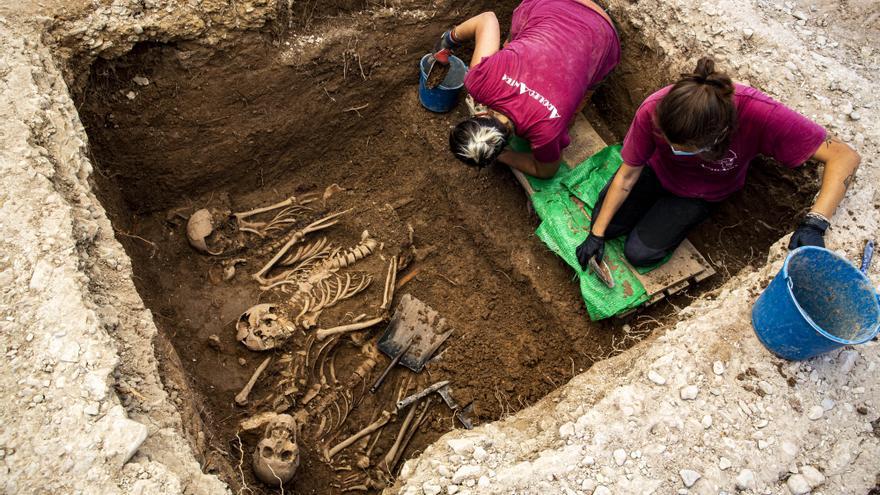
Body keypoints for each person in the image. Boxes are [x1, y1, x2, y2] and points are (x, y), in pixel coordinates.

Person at [575, 57, 861, 271]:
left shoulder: (759, 114)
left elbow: (844, 156)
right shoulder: (656, 108)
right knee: (605, 223)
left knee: (639, 254)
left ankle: (682, 215)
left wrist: (815, 223)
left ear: (720, 135)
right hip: (657, 172)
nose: (676, 150)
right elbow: (627, 176)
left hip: (702, 192)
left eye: (685, 148)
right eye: (671, 142)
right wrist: (596, 234)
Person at [437, 0, 620, 178]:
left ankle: (571, 112)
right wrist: (449, 39)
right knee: (511, 46)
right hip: (555, 7)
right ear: (479, 116)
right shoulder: (479, 81)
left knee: (580, 99)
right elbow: (488, 18)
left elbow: (546, 171)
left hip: (603, 34)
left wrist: (502, 156)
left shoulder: (546, 132)